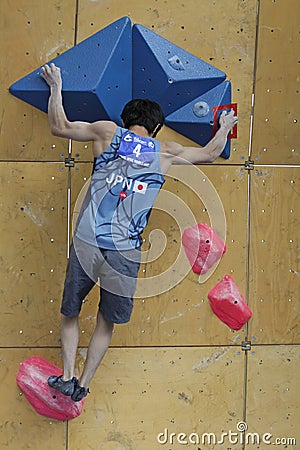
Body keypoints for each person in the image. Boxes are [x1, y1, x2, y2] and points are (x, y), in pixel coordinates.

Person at [41, 63, 238, 402]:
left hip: (89, 242)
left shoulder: (106, 133)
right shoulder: (165, 152)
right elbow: (210, 153)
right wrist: (225, 125)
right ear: (157, 127)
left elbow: (60, 126)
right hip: (125, 251)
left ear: (124, 119)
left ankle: (67, 375)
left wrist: (56, 85)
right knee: (106, 320)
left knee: (70, 311)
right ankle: (84, 385)